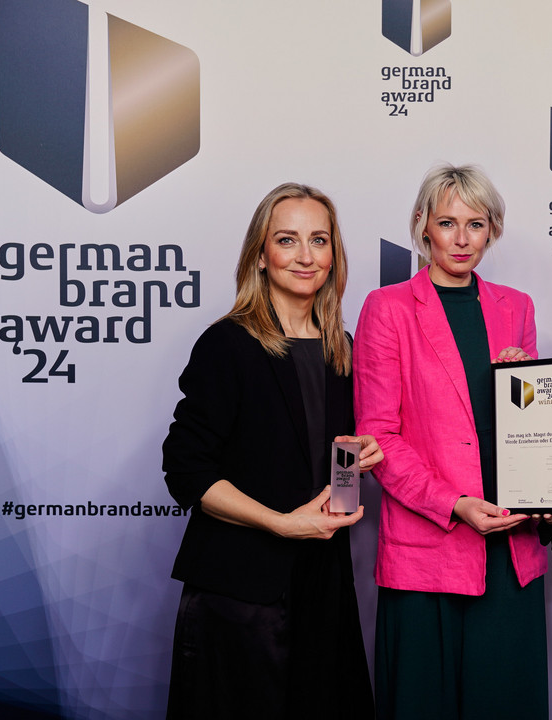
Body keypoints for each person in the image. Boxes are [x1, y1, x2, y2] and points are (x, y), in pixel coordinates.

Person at [162, 183, 379, 718]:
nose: (306, 257)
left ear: (335, 255)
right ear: (260, 255)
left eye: (319, 240)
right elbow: (185, 470)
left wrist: (361, 456)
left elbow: (318, 456)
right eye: (288, 240)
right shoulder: (228, 343)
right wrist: (280, 523)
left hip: (322, 586)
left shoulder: (341, 347)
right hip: (240, 591)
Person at [352, 164, 549, 719]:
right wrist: (454, 505)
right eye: (447, 223)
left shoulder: (518, 307)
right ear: (422, 227)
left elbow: (532, 426)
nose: (462, 239)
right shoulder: (387, 309)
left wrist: (528, 382)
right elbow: (378, 436)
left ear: (493, 230)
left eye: (476, 224)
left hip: (511, 545)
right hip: (428, 552)